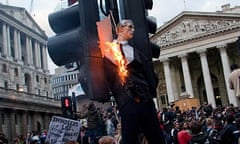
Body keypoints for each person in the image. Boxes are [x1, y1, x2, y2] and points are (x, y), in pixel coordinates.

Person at [103, 19, 166, 144]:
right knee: (130, 137)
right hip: (127, 100)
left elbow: (146, 72)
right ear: (120, 29)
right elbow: (110, 78)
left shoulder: (135, 50)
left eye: (133, 27)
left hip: (145, 98)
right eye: (129, 27)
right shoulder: (110, 50)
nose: (133, 30)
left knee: (156, 136)